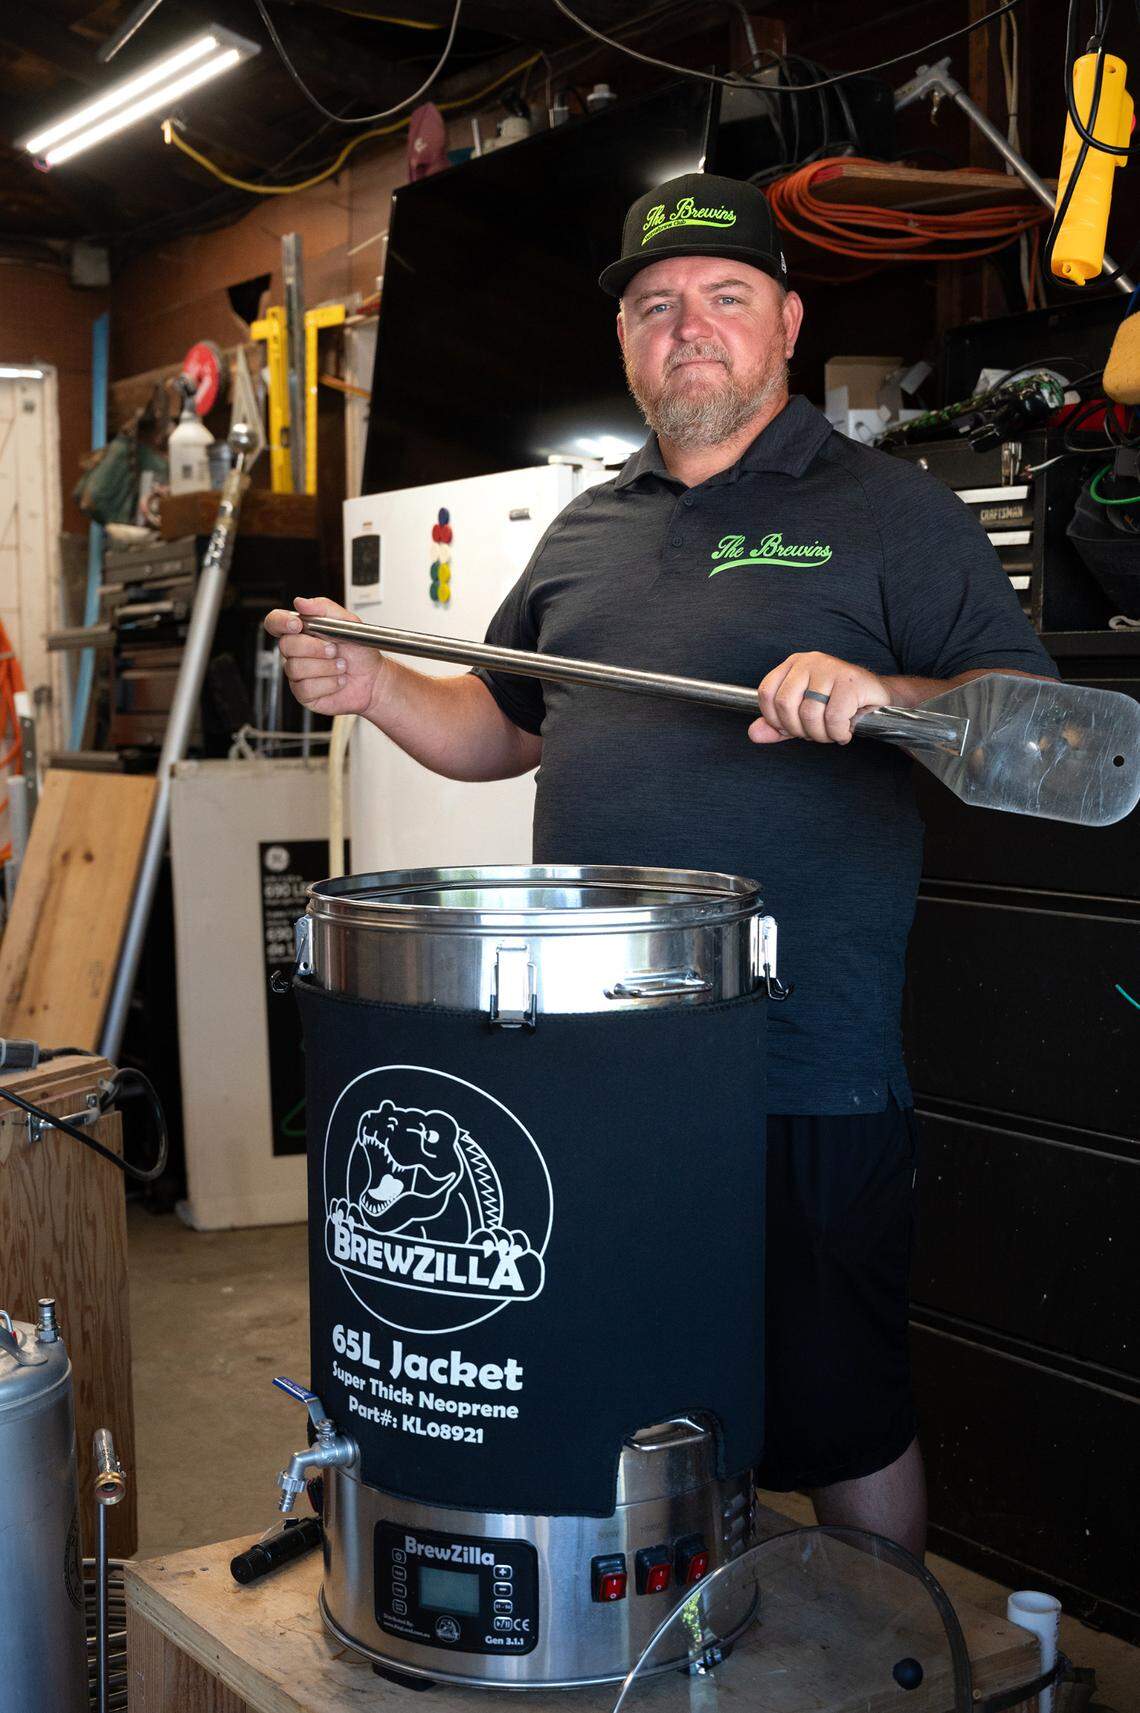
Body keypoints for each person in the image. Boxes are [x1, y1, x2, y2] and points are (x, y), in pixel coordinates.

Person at [265, 171, 1056, 1558]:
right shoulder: (587, 525)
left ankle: (880, 1678)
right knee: (630, 1390)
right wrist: (379, 685)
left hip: (802, 1063)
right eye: (654, 306)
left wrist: (881, 689)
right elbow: (501, 728)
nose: (688, 326)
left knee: (842, 1412)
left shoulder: (889, 510)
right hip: (594, 1071)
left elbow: (1038, 728)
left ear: (788, 324)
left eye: (725, 297)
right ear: (627, 340)